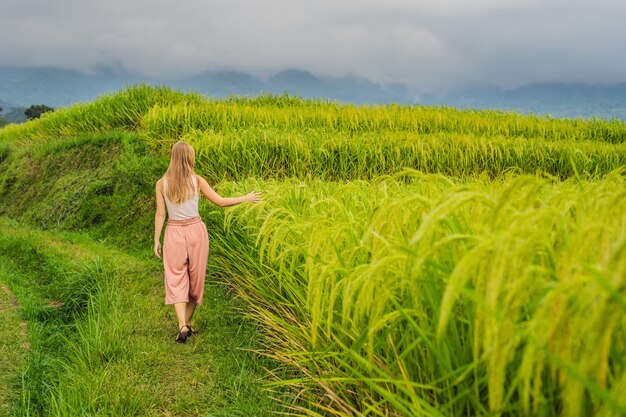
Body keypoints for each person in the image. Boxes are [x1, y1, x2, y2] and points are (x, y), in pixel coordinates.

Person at [153, 141, 261, 343]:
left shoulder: (161, 183)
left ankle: (182, 324)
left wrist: (156, 240)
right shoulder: (197, 180)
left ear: (173, 157)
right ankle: (187, 323)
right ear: (190, 158)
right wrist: (246, 197)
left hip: (174, 231)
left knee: (175, 277)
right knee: (196, 278)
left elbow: (160, 214)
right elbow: (220, 202)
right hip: (196, 231)